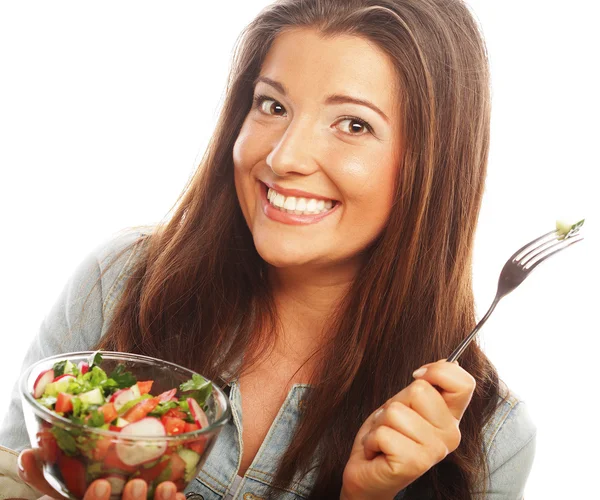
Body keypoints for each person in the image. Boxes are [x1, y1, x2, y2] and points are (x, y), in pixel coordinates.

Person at [0, 0, 537, 498]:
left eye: (353, 124)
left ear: (435, 166)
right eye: (272, 105)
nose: (284, 157)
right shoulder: (118, 282)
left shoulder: (492, 439)